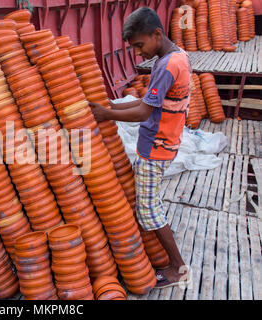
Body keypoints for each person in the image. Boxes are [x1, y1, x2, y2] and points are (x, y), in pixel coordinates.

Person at [89, 6, 192, 289]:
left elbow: (144, 112)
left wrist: (107, 115)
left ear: (156, 34)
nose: (137, 52)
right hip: (164, 142)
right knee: (150, 202)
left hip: (156, 146)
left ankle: (178, 268)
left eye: (139, 45)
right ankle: (171, 260)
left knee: (148, 209)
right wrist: (112, 105)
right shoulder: (177, 56)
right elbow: (148, 101)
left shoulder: (167, 66)